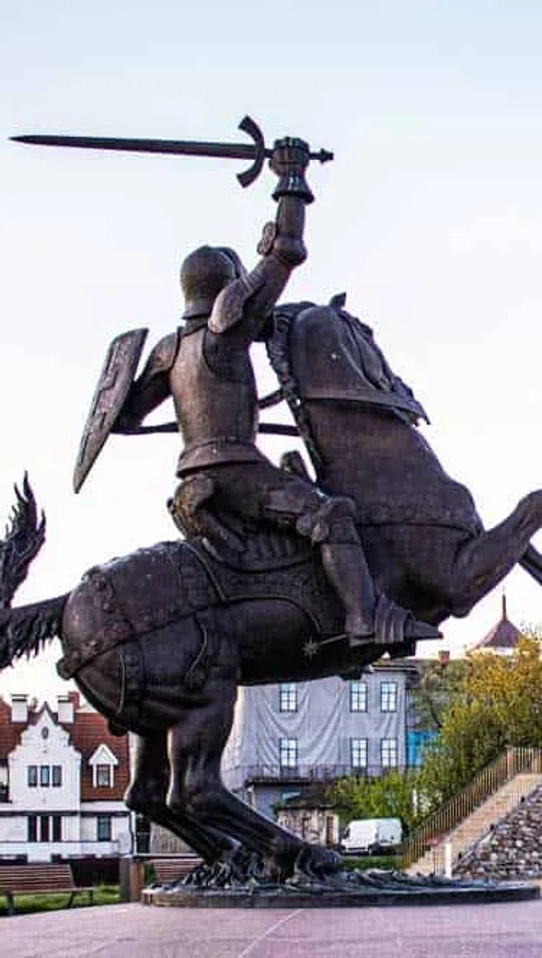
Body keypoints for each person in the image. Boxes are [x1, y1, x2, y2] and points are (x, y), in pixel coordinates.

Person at [114, 139, 433, 649]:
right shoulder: (224, 327)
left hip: (191, 473)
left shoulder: (169, 350)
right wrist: (291, 177)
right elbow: (286, 251)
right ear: (225, 286)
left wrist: (199, 422)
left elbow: (126, 419)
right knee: (332, 517)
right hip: (238, 473)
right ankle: (363, 621)